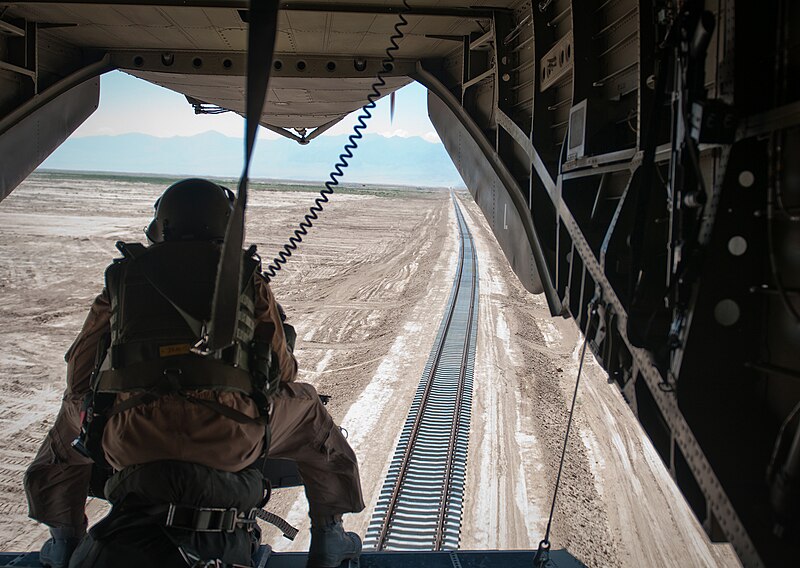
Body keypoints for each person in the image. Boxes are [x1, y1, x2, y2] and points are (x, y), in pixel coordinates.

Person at [23, 178, 365, 567]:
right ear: (224, 224)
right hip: (230, 438)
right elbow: (284, 371)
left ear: (160, 224)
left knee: (68, 421)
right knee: (310, 412)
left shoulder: (123, 277)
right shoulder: (244, 277)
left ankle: (64, 540)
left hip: (128, 439)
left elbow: (79, 374)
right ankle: (329, 537)